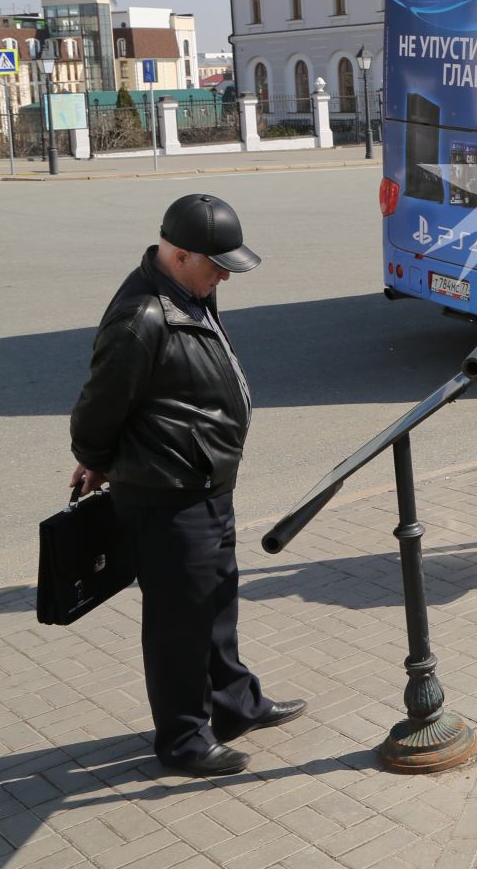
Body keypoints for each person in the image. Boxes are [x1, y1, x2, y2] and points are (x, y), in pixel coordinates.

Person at [69, 194, 304, 778]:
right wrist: (94, 458)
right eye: (216, 263)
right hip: (166, 490)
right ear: (178, 255)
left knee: (217, 601)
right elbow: (100, 403)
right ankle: (182, 739)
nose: (225, 274)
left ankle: (233, 705)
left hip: (203, 481)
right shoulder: (141, 315)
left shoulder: (187, 291)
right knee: (179, 618)